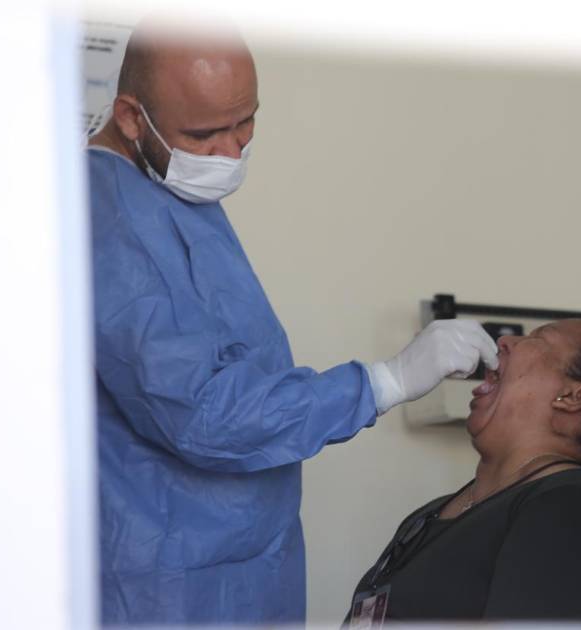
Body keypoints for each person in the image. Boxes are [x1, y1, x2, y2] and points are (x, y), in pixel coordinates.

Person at [87, 21, 498, 625]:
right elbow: (202, 411)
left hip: (238, 564)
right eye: (204, 134)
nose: (231, 152)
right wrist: (385, 382)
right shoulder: (109, 216)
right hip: (170, 587)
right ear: (130, 117)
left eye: (245, 123)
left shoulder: (171, 195)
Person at [344, 319, 581, 624]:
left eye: (539, 339)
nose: (505, 341)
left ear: (574, 397)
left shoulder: (573, 510)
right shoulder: (437, 512)